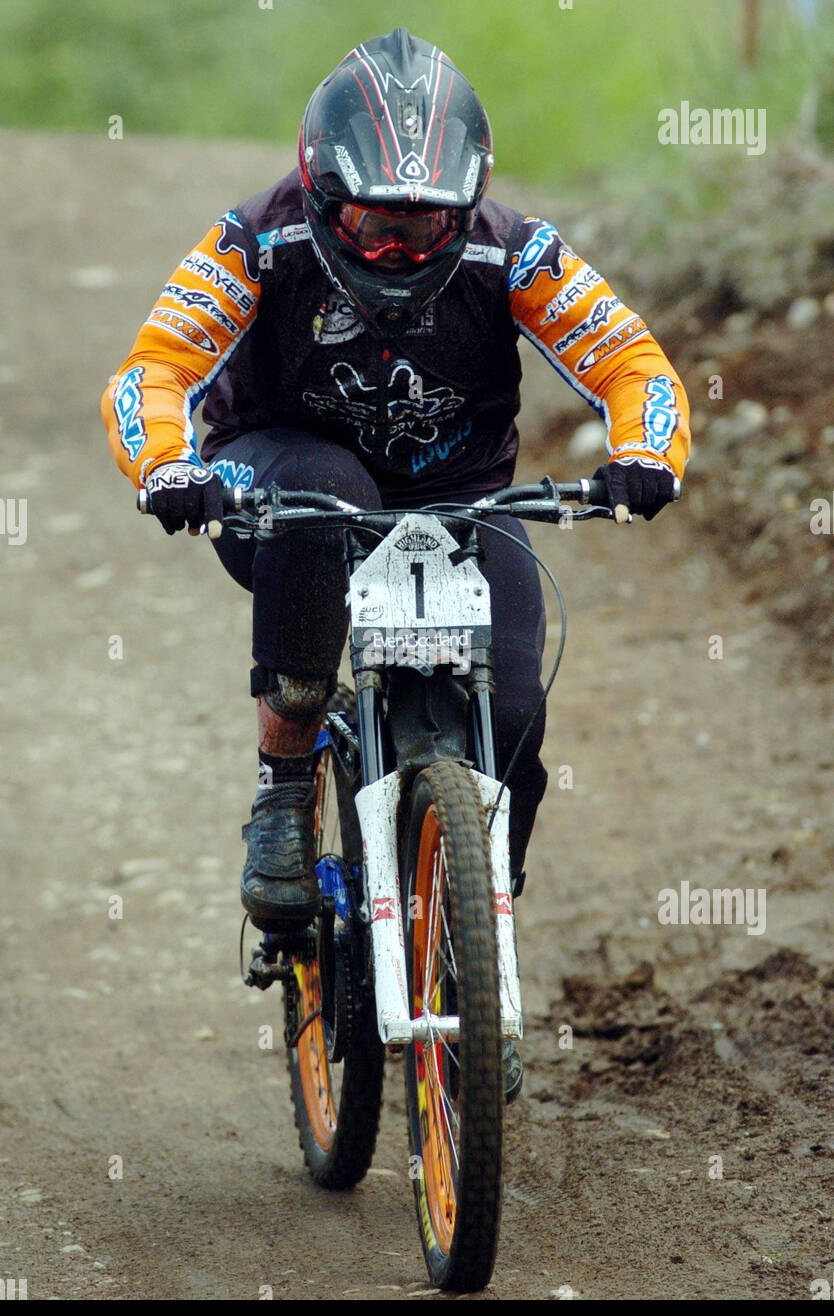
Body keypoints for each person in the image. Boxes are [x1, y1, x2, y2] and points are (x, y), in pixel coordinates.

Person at [101, 29, 690, 1096]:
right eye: (377, 220)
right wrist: (167, 467)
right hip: (279, 483)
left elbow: (630, 359)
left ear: (468, 202)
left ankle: (476, 924)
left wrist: (646, 451)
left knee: (514, 711)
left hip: (464, 497)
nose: (401, 246)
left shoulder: (510, 249)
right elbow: (155, 368)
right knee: (337, 497)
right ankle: (285, 786)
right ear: (325, 199)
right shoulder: (253, 242)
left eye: (427, 220)